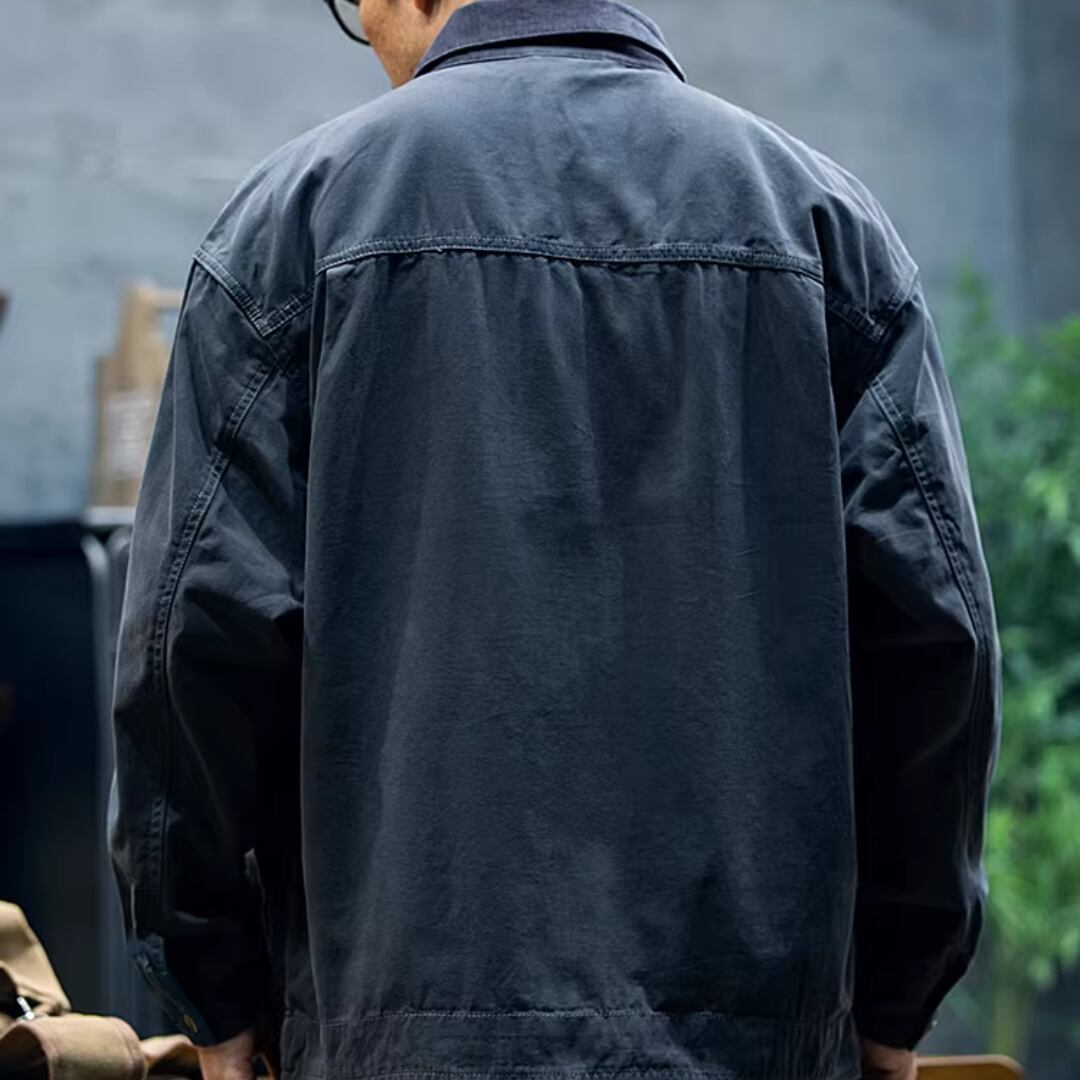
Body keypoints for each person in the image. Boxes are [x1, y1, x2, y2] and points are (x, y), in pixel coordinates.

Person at [107, 2, 1002, 1080]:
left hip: (395, 1043)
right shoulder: (827, 231)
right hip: (759, 1046)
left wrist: (216, 996)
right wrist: (894, 1001)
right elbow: (936, 649)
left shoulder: (293, 230)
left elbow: (188, 654)